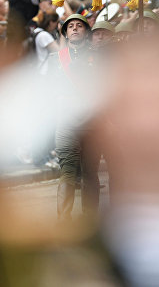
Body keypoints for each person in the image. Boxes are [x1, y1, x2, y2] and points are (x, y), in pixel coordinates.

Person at [52, 14, 99, 220]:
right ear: (66, 33)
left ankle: (89, 221)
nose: (75, 28)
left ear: (86, 32)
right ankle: (64, 221)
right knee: (67, 173)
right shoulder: (58, 59)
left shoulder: (96, 57)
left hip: (92, 123)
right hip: (66, 122)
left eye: (79, 26)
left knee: (90, 173)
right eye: (70, 26)